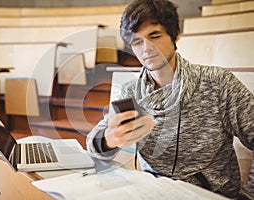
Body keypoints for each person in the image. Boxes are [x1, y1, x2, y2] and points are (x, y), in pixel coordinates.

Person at [86, 0, 254, 199]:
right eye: (137, 42)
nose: (146, 49)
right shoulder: (130, 92)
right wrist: (109, 139)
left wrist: (248, 195)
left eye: (154, 36)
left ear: (175, 36)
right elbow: (93, 143)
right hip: (154, 193)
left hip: (211, 195)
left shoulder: (218, 83)